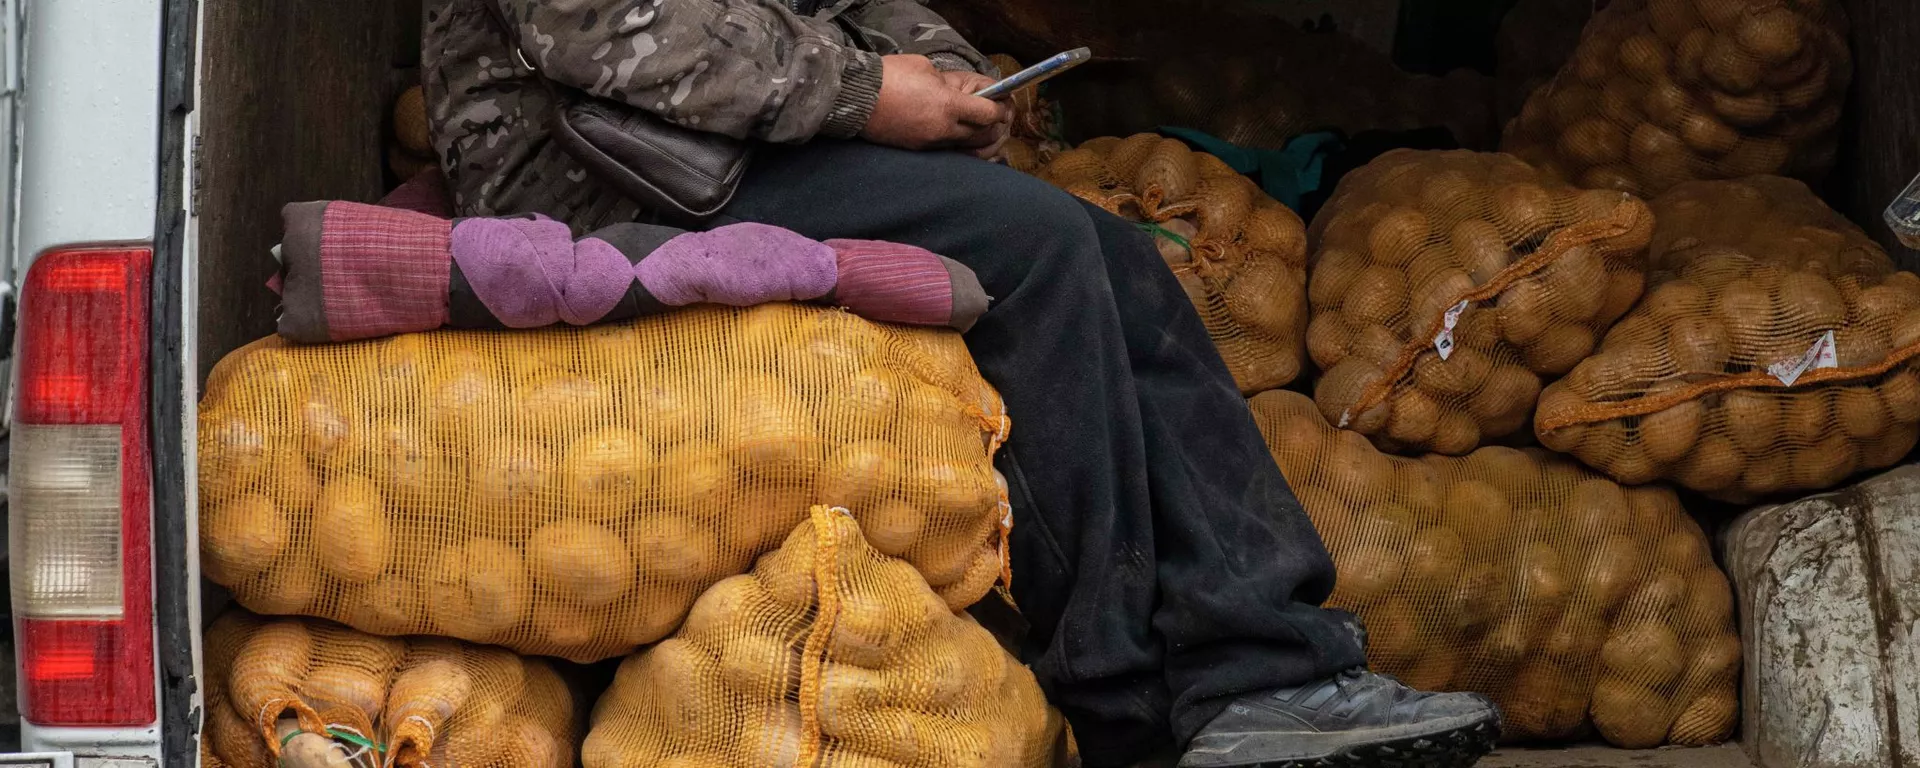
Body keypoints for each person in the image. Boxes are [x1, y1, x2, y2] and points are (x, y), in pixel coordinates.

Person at [422, 1, 1502, 766]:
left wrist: (944, 71)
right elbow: (592, 26)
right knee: (1033, 249)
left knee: (1115, 255)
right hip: (598, 178)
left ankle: (1261, 664)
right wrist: (866, 96)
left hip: (728, 145)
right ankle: (1129, 696)